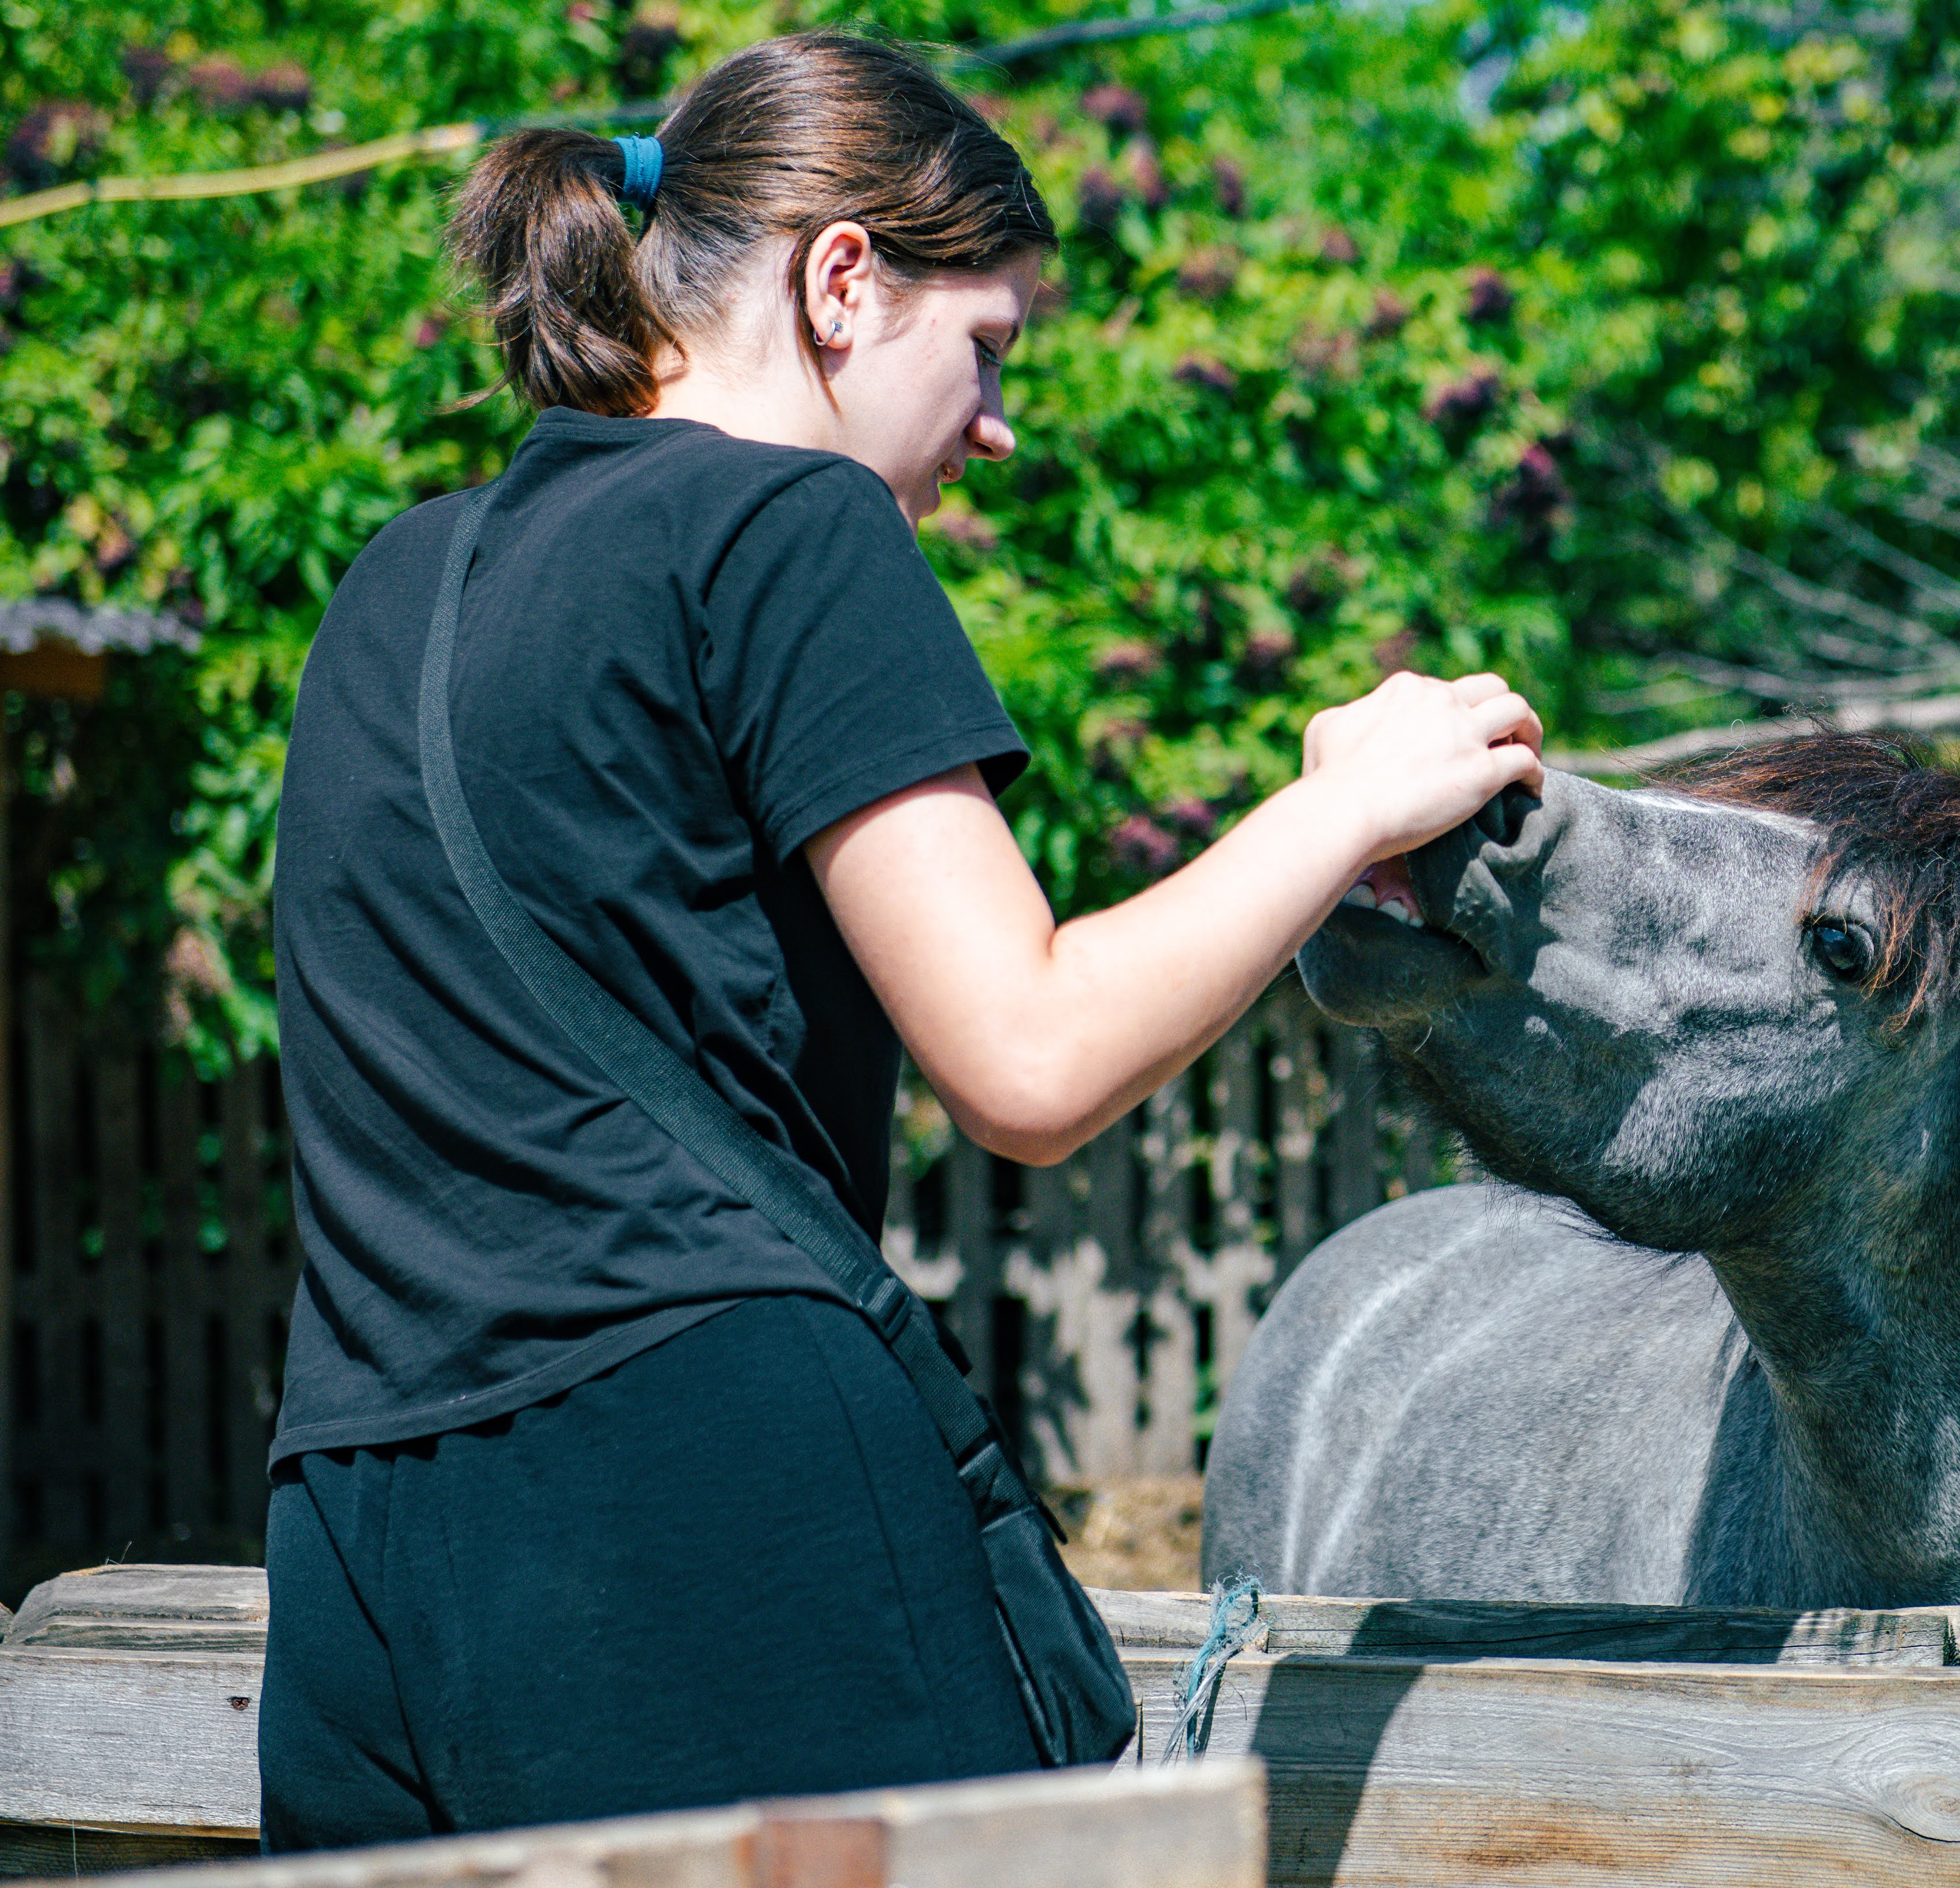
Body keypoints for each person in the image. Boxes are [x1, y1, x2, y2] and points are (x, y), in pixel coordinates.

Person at [258, 31, 1542, 1849]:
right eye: (990, 344)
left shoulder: (395, 579)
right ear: (842, 280)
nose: (1000, 423)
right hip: (707, 1510)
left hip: (355, 1525)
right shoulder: (789, 523)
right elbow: (1027, 1060)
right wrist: (1343, 797)